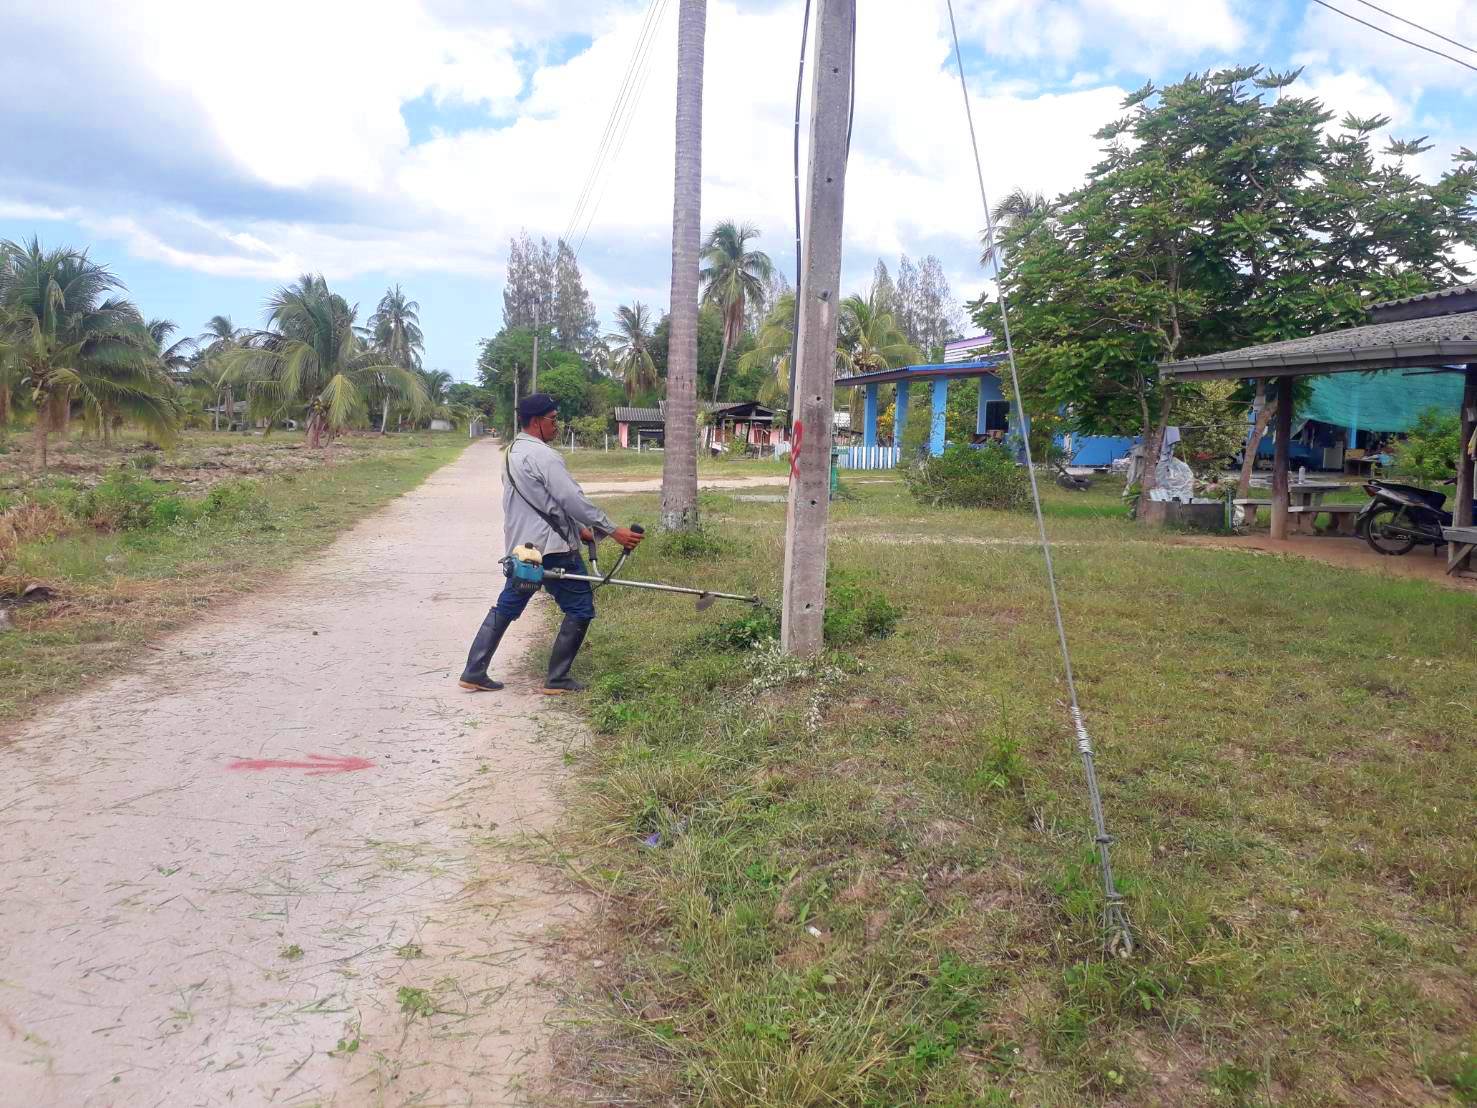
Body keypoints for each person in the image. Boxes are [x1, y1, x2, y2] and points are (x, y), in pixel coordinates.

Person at [459, 394, 644, 695]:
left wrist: (579, 530)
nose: (557, 425)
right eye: (553, 419)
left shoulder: (511, 452)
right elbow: (571, 499)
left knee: (507, 607)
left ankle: (474, 671)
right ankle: (557, 679)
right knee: (581, 608)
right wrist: (611, 530)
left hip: (524, 552)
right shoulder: (544, 456)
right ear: (536, 422)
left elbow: (541, 502)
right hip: (554, 550)